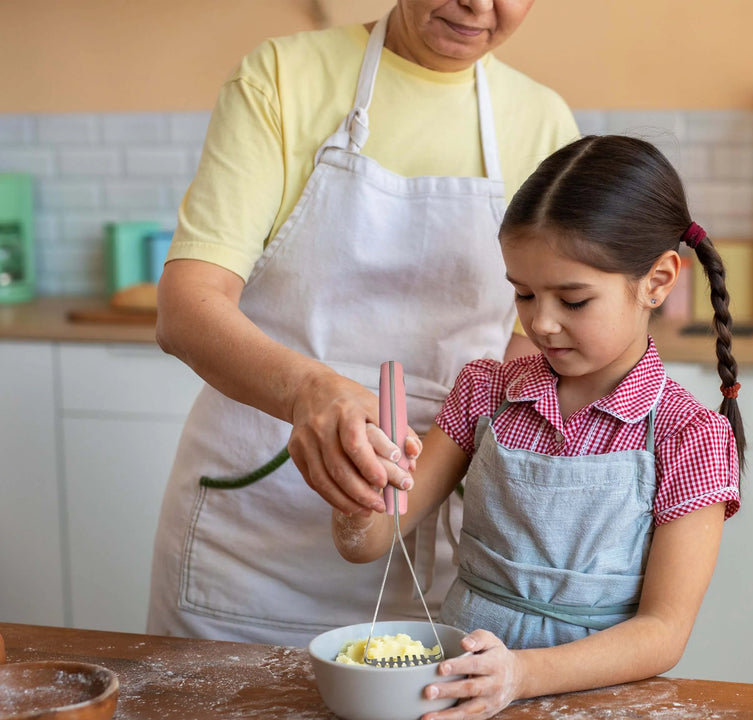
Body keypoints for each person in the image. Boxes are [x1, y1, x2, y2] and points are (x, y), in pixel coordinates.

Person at [146, 1, 579, 645]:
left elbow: (528, 352)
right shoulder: (281, 78)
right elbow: (186, 308)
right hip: (252, 544)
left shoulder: (543, 122)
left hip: (438, 538)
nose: (478, 3)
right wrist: (309, 392)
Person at [332, 134, 744, 720]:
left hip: (597, 713)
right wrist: (357, 486)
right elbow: (369, 541)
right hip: (454, 694)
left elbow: (663, 633)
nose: (541, 322)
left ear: (657, 281)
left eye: (573, 300)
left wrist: (522, 675)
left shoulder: (690, 435)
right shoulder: (486, 391)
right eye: (523, 293)